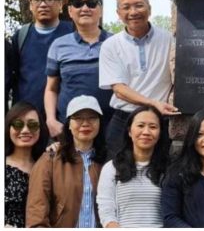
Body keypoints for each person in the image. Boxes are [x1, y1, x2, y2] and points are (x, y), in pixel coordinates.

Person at [99, 0, 180, 157]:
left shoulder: (169, 40)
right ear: (118, 13)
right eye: (126, 7)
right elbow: (119, 90)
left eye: (139, 5)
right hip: (123, 120)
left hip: (158, 121)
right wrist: (152, 102)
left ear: (149, 9)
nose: (133, 12)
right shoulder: (111, 45)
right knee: (118, 173)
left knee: (158, 174)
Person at [26, 95, 106, 227]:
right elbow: (37, 211)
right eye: (78, 118)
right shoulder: (50, 159)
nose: (85, 123)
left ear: (99, 123)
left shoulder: (109, 160)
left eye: (92, 117)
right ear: (68, 124)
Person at [44, 0, 113, 138]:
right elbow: (51, 88)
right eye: (78, 4)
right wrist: (51, 120)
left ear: (100, 10)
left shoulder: (115, 42)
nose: (85, 8)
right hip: (69, 129)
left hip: (110, 129)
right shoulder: (58, 45)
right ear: (69, 11)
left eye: (91, 3)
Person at [97, 106, 171, 227]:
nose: (146, 132)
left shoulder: (168, 169)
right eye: (140, 126)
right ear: (130, 131)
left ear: (160, 133)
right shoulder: (112, 168)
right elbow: (106, 207)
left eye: (153, 127)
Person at [11, 0, 73, 115]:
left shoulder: (73, 34)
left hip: (65, 116)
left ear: (61, 3)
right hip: (28, 118)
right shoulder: (21, 36)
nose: (43, 4)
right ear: (30, 5)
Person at [5, 102, 49, 227]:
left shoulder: (48, 166)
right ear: (9, 128)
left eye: (33, 125)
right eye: (18, 124)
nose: (25, 130)